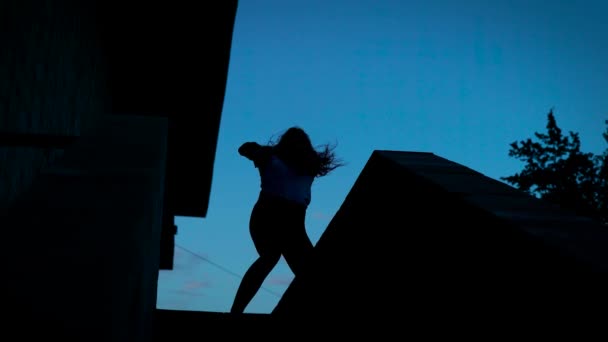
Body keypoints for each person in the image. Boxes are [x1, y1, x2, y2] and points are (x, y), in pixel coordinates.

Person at [230, 126, 344, 314]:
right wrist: (262, 151)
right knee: (270, 257)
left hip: (291, 221)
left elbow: (245, 149)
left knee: (300, 267)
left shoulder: (307, 164)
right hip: (269, 216)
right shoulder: (272, 158)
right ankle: (236, 310)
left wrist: (262, 151)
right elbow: (244, 149)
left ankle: (237, 310)